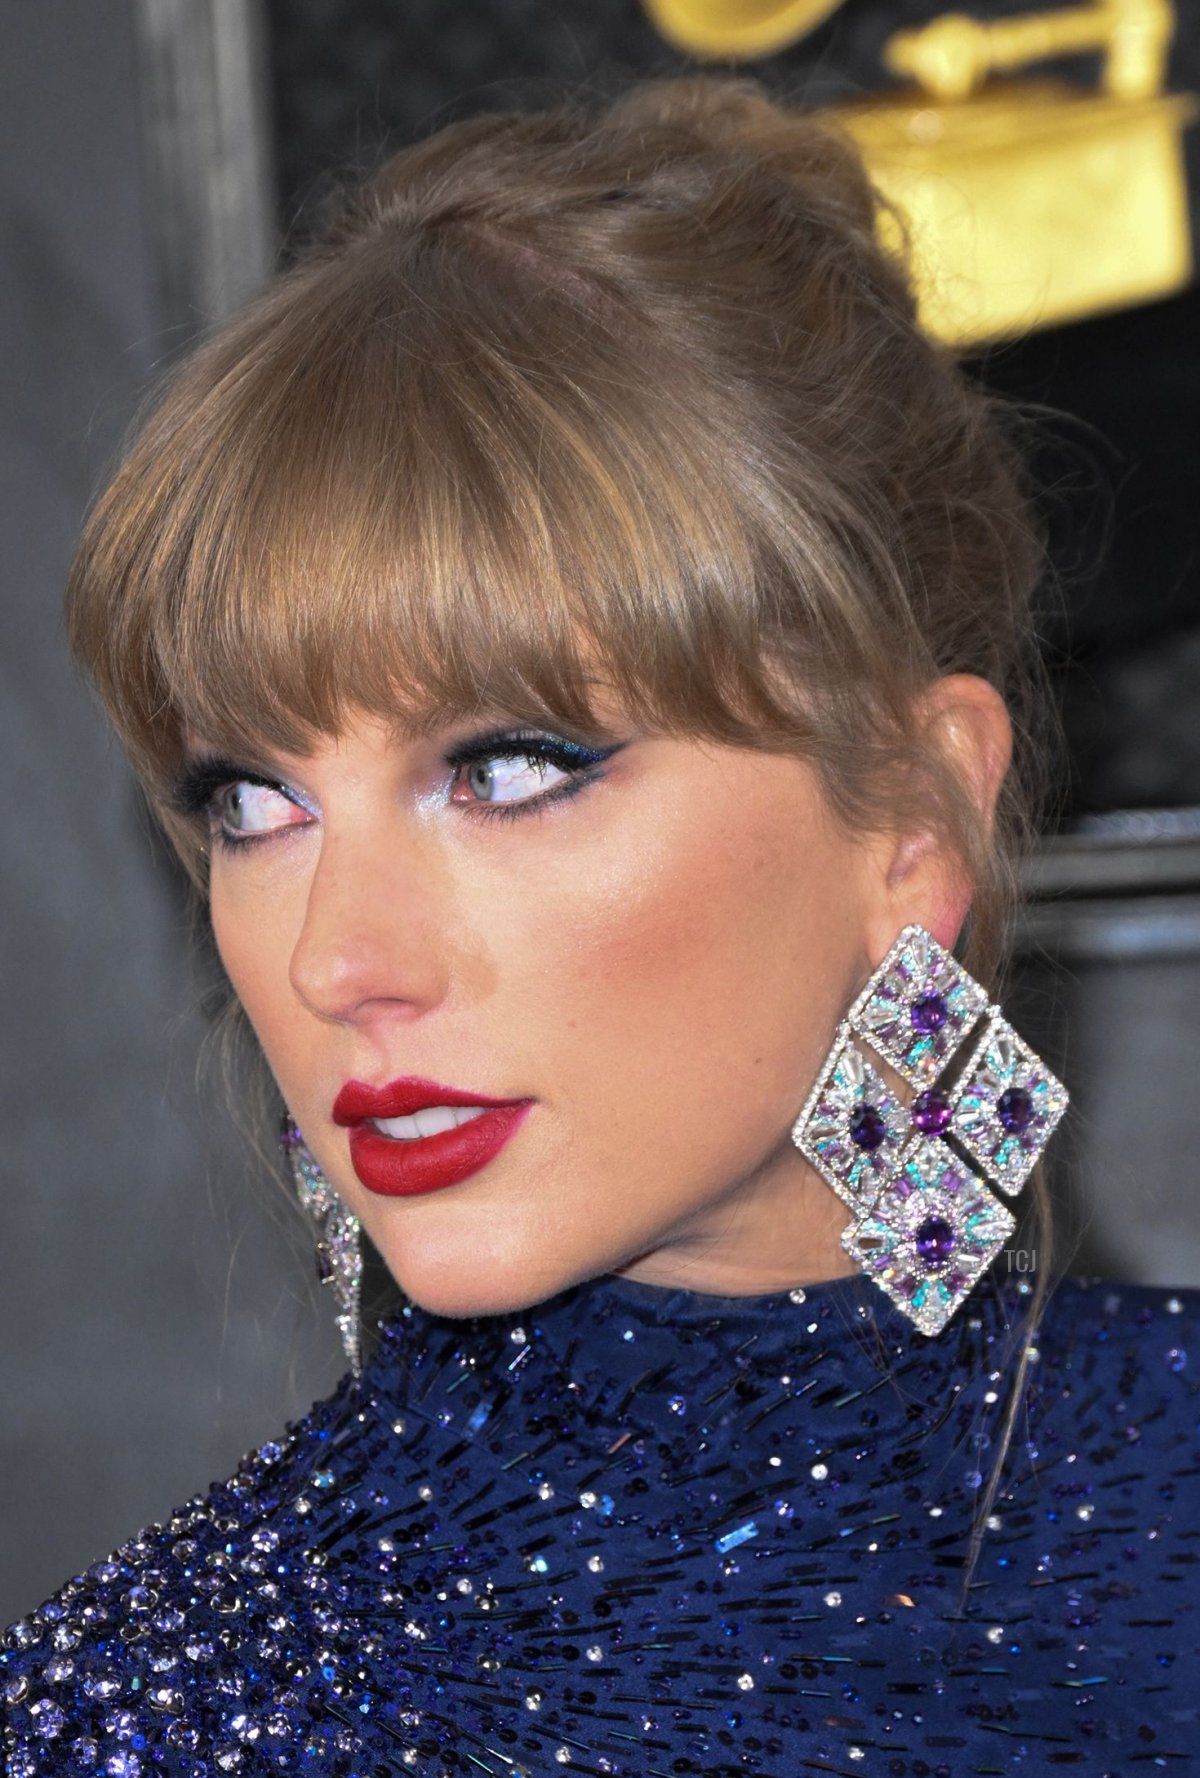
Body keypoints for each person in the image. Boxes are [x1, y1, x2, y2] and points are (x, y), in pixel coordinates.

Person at [3, 72, 1196, 1776]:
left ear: (916, 820)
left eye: (508, 766)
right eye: (252, 801)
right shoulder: (148, 1719)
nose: (337, 959)